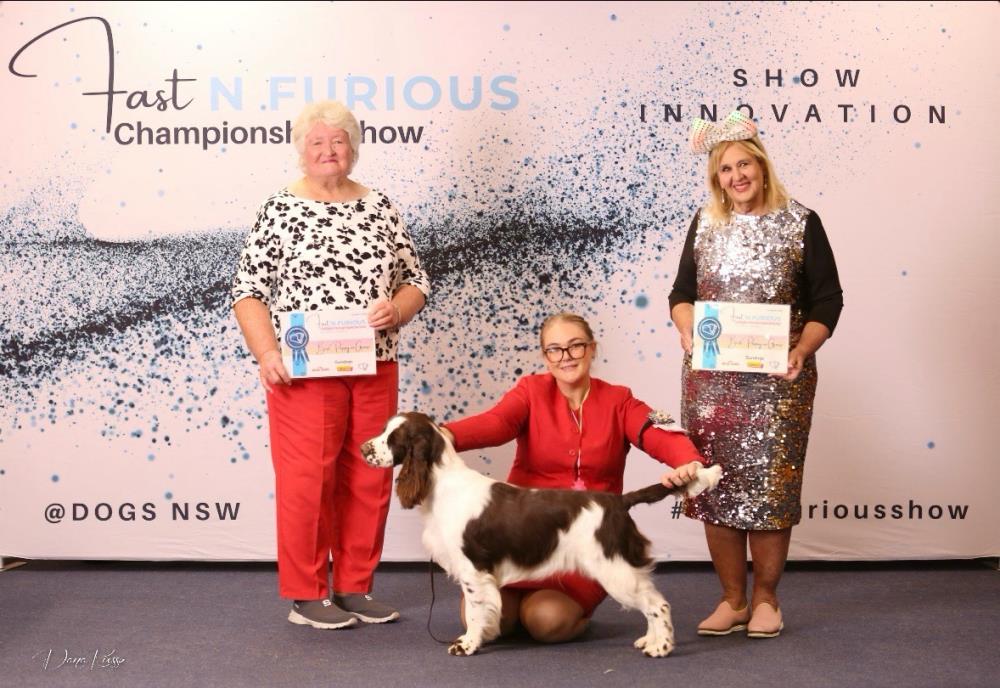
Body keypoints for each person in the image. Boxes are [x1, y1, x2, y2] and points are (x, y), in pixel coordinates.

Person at [231, 100, 430, 629]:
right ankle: (307, 594)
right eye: (317, 142)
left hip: (374, 364)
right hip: (303, 371)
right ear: (301, 150)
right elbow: (248, 292)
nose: (328, 150)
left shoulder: (380, 206)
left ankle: (354, 586)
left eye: (338, 141)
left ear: (353, 149)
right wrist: (267, 353)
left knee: (370, 476)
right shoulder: (279, 209)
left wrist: (397, 309)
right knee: (306, 481)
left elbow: (416, 281)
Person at [669, 110, 843, 638]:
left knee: (770, 491)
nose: (736, 176)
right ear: (716, 178)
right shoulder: (704, 223)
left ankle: (766, 600)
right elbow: (681, 293)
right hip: (711, 383)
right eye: (725, 169)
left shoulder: (802, 222)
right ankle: (732, 600)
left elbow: (827, 300)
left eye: (744, 164)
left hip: (778, 385)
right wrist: (687, 328)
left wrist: (802, 349)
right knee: (714, 488)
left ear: (762, 167)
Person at [439, 312, 706, 643]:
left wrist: (687, 460)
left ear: (592, 348)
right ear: (545, 356)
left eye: (575, 346)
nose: (565, 357)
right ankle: (517, 602)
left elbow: (656, 431)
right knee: (490, 622)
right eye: (554, 349)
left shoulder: (618, 399)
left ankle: (568, 611)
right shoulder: (530, 391)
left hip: (584, 542)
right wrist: (444, 434)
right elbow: (497, 422)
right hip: (520, 538)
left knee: (545, 621)